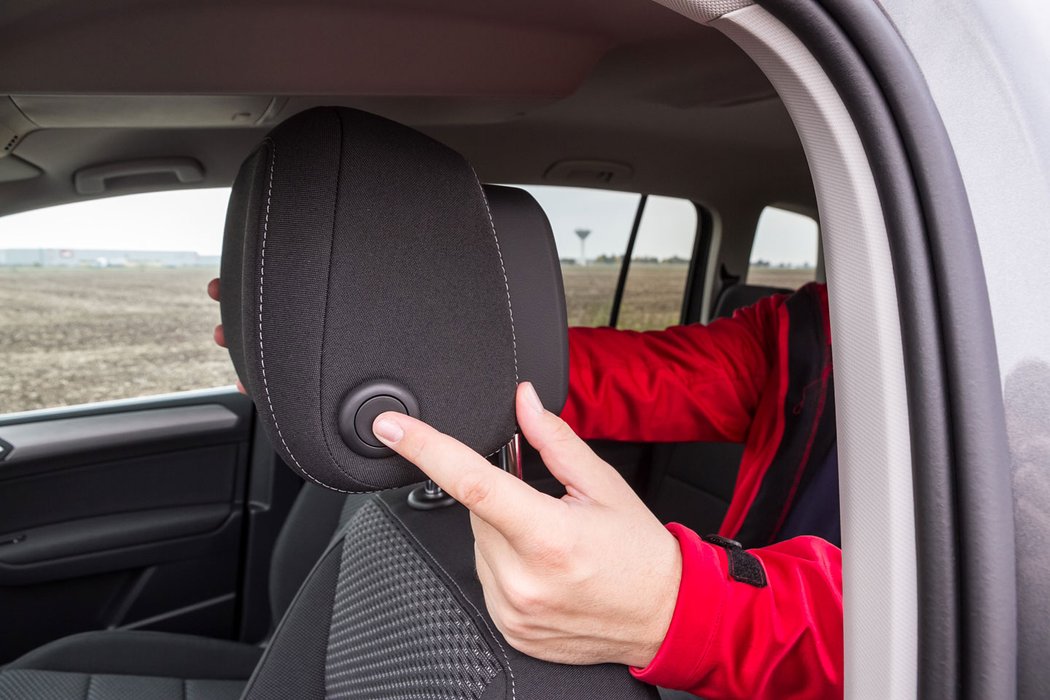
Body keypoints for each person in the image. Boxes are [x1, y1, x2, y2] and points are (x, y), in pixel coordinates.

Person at [209, 278, 842, 700]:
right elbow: (636, 378)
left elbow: (937, 628)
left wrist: (693, 610)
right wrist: (378, 361)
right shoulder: (814, 333)